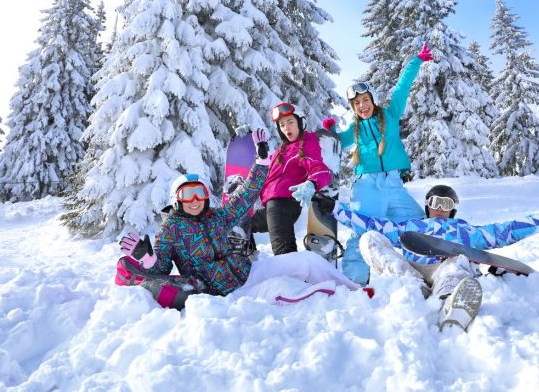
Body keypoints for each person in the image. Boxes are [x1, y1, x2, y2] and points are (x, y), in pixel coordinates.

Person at [115, 129, 359, 310]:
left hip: (249, 271)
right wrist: (146, 257)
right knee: (284, 289)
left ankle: (356, 293)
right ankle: (329, 300)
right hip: (229, 293)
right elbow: (162, 270)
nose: (195, 200)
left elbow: (246, 195)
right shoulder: (171, 230)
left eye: (199, 193)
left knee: (307, 261)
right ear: (176, 200)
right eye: (187, 195)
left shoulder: (217, 217)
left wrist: (262, 162)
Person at [312, 186, 539, 329]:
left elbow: (506, 230)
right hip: (412, 268)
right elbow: (370, 224)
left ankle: (449, 302)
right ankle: (411, 290)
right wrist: (335, 208)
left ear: (453, 210)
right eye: (435, 203)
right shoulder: (411, 227)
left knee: (459, 262)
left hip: (445, 267)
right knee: (369, 238)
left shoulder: (467, 231)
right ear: (427, 206)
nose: (440, 209)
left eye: (446, 204)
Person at [322, 43, 433, 285]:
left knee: (418, 226)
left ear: (372, 99)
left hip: (393, 185)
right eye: (357, 103)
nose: (362, 106)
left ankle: (426, 271)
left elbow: (402, 88)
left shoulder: (391, 115)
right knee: (362, 231)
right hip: (367, 186)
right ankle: (355, 282)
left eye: (365, 99)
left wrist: (416, 61)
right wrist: (330, 132)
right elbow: (339, 142)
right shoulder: (356, 129)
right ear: (353, 108)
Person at [250, 102, 333, 256]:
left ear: (300, 123)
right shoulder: (281, 151)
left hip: (284, 203)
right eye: (282, 125)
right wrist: (260, 156)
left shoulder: (307, 143)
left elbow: (321, 169)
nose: (286, 127)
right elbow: (266, 175)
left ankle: (292, 278)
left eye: (290, 122)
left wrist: (312, 183)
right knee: (242, 225)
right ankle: (249, 261)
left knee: (284, 254)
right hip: (272, 206)